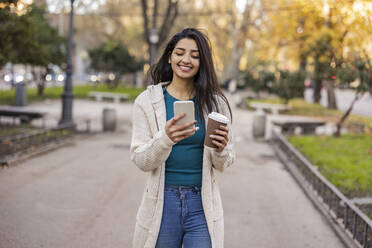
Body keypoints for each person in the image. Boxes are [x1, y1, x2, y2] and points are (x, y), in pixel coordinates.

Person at [130, 27, 235, 248]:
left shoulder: (216, 104)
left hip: (202, 204)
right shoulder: (146, 102)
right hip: (162, 202)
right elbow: (140, 160)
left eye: (195, 55)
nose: (186, 59)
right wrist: (165, 138)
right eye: (180, 53)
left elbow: (224, 163)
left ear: (202, 62)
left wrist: (221, 148)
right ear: (170, 56)